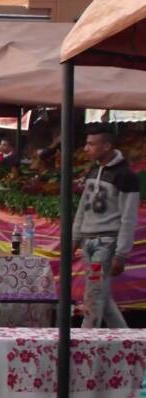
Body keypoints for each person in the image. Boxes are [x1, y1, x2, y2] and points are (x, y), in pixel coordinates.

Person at [73, 123, 140, 328]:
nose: (86, 149)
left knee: (93, 296)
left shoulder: (126, 176)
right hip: (88, 242)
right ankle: (130, 344)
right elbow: (83, 207)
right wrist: (75, 238)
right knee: (101, 295)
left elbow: (129, 217)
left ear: (106, 146)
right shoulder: (93, 170)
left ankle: (83, 343)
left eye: (91, 144)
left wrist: (121, 254)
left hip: (106, 244)